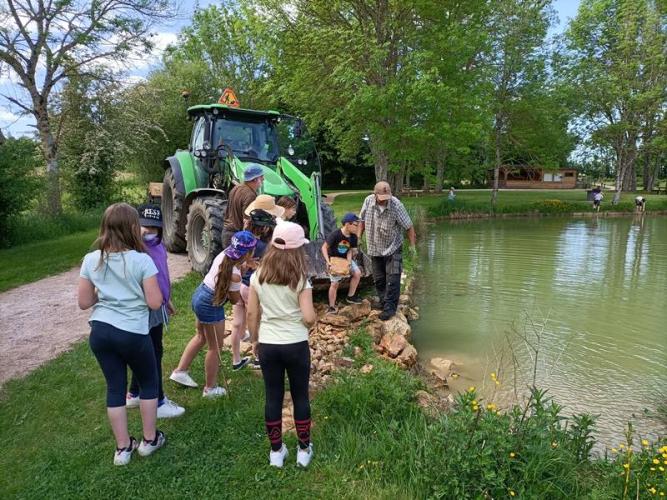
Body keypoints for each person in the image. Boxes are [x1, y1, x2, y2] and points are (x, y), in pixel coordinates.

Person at [78, 203, 165, 466]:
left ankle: (123, 448)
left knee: (115, 387)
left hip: (101, 331)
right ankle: (149, 441)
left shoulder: (91, 259)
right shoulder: (141, 260)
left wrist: (106, 291)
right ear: (132, 228)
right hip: (132, 332)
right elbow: (154, 302)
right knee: (148, 383)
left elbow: (84, 302)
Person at [247, 222, 317, 468]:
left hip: (269, 343)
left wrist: (254, 339)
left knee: (273, 396)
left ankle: (276, 452)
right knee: (300, 396)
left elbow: (252, 313)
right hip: (296, 344)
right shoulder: (300, 279)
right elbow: (308, 317)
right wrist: (311, 322)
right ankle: (303, 449)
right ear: (297, 250)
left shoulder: (258, 276)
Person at [170, 231, 257, 397]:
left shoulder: (225, 254)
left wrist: (245, 264)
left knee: (200, 337)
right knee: (215, 348)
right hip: (211, 304)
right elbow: (234, 300)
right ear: (248, 253)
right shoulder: (236, 276)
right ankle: (210, 389)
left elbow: (234, 269)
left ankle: (180, 372)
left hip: (200, 294)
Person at [125, 205, 184, 419]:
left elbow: (162, 275)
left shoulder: (159, 247)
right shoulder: (135, 250)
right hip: (146, 307)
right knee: (153, 353)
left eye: (155, 228)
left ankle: (134, 393)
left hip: (158, 304)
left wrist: (167, 300)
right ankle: (158, 401)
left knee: (149, 350)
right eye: (145, 227)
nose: (150, 231)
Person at [359, 181, 416, 321]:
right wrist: (358, 237)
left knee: (393, 278)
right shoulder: (368, 201)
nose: (385, 201)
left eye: (387, 197)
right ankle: (384, 301)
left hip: (394, 248)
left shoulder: (397, 205)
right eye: (382, 198)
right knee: (378, 279)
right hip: (374, 247)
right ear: (375, 194)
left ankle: (390, 308)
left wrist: (412, 246)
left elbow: (409, 226)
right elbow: (361, 220)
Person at [229, 209, 277, 371]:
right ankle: (258, 358)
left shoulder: (241, 238)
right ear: (263, 228)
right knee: (255, 321)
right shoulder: (263, 246)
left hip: (238, 286)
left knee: (236, 324)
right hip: (251, 287)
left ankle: (236, 360)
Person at [321, 212, 363, 313]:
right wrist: (328, 262)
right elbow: (324, 247)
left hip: (345, 259)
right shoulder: (335, 235)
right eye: (356, 225)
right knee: (335, 283)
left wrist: (349, 262)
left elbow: (349, 250)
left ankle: (350, 296)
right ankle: (331, 306)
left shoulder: (353, 237)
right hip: (334, 260)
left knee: (357, 273)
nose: (358, 227)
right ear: (347, 224)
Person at [221, 164, 265, 247]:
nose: (263, 179)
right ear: (255, 179)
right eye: (261, 177)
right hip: (237, 236)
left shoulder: (236, 188)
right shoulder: (250, 195)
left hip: (227, 233)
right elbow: (247, 222)